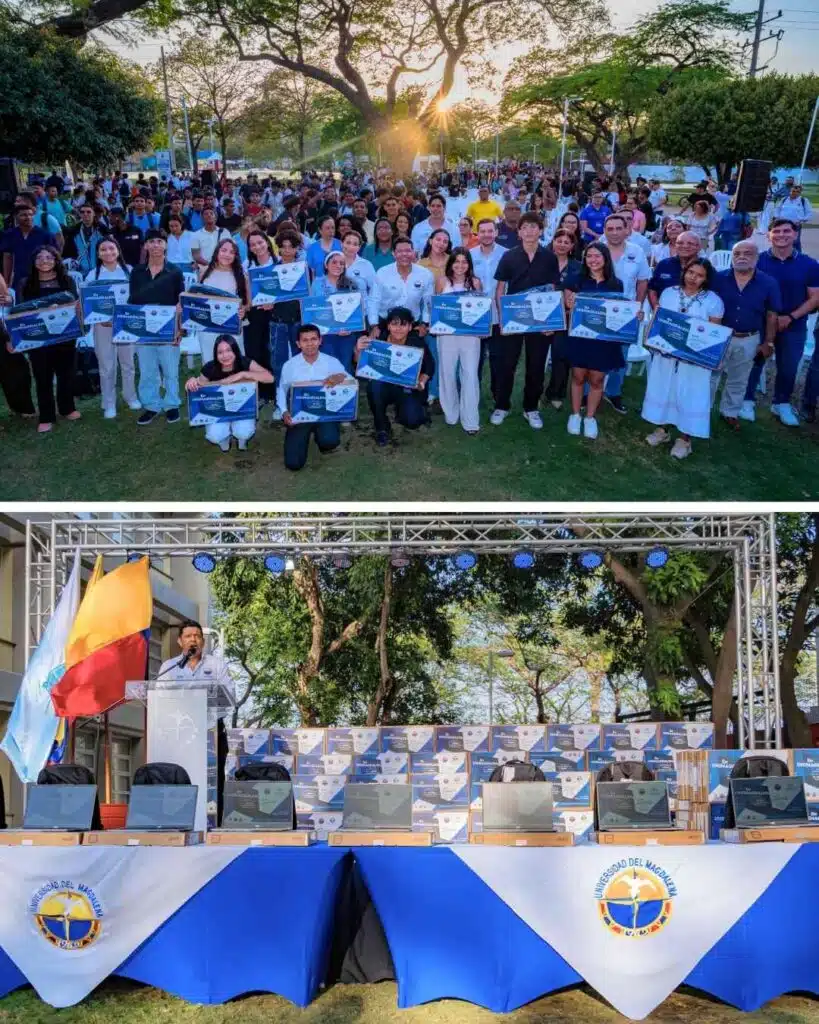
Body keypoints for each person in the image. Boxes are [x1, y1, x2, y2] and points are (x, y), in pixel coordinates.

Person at [641, 259, 725, 458]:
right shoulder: (669, 293)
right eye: (690, 272)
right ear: (684, 272)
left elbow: (715, 332)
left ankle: (684, 439)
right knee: (665, 389)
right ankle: (662, 430)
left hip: (694, 359)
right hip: (667, 354)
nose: (693, 278)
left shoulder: (713, 301)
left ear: (706, 279)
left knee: (690, 394)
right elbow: (660, 320)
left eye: (699, 275)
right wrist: (652, 339)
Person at [741, 219, 819, 426]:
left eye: (787, 231)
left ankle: (781, 403)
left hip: (793, 323)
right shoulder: (758, 261)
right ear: (769, 236)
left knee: (789, 366)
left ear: (795, 234)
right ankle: (747, 400)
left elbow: (815, 297)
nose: (782, 235)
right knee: (755, 361)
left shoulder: (809, 265)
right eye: (776, 231)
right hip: (761, 321)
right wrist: (769, 319)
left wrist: (790, 317)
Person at [156, 619, 234, 824]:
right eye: (189, 636)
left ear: (203, 642)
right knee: (178, 775)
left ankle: (215, 823)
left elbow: (229, 697)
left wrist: (204, 715)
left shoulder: (216, 665)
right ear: (180, 642)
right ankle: (176, 820)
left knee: (214, 778)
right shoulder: (169, 667)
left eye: (198, 636)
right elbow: (160, 698)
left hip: (211, 731)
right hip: (178, 732)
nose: (194, 640)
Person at [492, 211, 560, 429]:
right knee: (507, 364)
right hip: (514, 320)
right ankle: (502, 405)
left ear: (540, 231)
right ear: (518, 231)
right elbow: (501, 288)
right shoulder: (509, 256)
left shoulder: (549, 257)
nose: (530, 231)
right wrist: (503, 320)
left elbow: (552, 289)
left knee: (536, 365)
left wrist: (551, 322)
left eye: (534, 227)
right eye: (525, 227)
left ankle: (531, 408)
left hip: (540, 322)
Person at [713, 240, 781, 427]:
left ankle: (729, 412)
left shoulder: (769, 283)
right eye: (737, 253)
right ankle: (703, 409)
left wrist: (768, 342)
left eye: (747, 253)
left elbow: (772, 314)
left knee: (739, 378)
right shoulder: (718, 278)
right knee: (711, 376)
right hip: (719, 336)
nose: (741, 257)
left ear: (757, 258)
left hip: (749, 338)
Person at [14, 246, 81, 433]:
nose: (44, 261)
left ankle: (67, 408)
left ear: (56, 260)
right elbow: (19, 311)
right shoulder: (25, 283)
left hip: (65, 335)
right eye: (40, 258)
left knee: (66, 374)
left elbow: (75, 304)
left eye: (49, 257)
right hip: (38, 337)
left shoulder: (67, 280)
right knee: (42, 376)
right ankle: (46, 416)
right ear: (33, 262)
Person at [562, 243, 625, 440]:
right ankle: (575, 414)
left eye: (597, 256)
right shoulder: (575, 280)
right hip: (580, 338)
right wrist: (569, 305)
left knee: (597, 379)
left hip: (603, 340)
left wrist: (634, 315)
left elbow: (620, 312)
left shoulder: (616, 284)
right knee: (578, 377)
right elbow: (566, 308)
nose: (593, 260)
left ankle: (590, 417)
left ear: (605, 258)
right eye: (589, 256)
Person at [355, 306, 433, 446]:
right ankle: (381, 426)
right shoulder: (378, 340)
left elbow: (430, 366)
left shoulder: (416, 342)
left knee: (412, 422)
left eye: (403, 324)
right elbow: (360, 364)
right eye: (394, 324)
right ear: (388, 326)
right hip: (384, 386)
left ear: (410, 327)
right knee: (374, 385)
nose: (398, 328)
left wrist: (421, 383)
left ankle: (406, 409)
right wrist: (358, 350)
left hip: (407, 388)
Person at [129, 230, 185, 425]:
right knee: (147, 370)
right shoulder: (136, 273)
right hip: (144, 331)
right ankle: (151, 405)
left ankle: (171, 404)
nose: (155, 246)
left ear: (165, 245)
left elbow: (182, 304)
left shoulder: (175, 272)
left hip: (168, 330)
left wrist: (180, 330)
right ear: (145, 246)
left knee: (170, 369)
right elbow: (132, 302)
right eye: (151, 242)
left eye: (159, 241)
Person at [278, 323, 348, 470]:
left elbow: (349, 380)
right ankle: (305, 435)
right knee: (293, 464)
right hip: (300, 415)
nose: (310, 344)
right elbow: (281, 390)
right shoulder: (290, 365)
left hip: (325, 413)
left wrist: (340, 377)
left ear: (320, 340)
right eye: (305, 340)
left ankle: (321, 436)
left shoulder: (331, 361)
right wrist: (284, 411)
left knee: (330, 441)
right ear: (298, 344)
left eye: (313, 339)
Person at [185, 335, 273, 451]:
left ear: (235, 350)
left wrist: (243, 374)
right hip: (218, 410)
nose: (225, 355)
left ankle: (242, 440)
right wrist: (191, 382)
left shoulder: (245, 362)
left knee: (244, 431)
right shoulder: (209, 367)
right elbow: (199, 386)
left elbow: (269, 378)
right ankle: (224, 441)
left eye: (228, 350)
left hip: (241, 408)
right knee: (214, 435)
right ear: (215, 354)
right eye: (220, 352)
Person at [84, 237, 140, 418]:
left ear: (118, 251)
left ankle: (130, 396)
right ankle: (108, 403)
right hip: (103, 326)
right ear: (98, 254)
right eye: (103, 249)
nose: (108, 252)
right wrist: (101, 318)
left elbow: (137, 298)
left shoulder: (129, 271)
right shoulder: (93, 275)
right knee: (107, 366)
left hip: (126, 325)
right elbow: (88, 302)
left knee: (128, 363)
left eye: (111, 248)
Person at [435, 247, 482, 434]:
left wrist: (481, 329)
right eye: (457, 261)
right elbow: (436, 309)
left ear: (469, 264)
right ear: (451, 263)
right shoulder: (441, 282)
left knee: (470, 374)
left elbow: (481, 310)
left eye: (464, 262)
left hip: (470, 336)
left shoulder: (476, 283)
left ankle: (470, 419)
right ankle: (451, 413)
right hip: (446, 336)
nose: (460, 266)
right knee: (447, 373)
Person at [544, 229, 582, 410]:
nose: (562, 244)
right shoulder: (542, 262)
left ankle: (556, 392)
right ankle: (534, 391)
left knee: (561, 356)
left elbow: (580, 291)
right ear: (553, 242)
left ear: (572, 246)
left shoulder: (578, 267)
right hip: (542, 318)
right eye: (559, 240)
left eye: (567, 242)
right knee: (537, 356)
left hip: (566, 318)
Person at [197, 238, 250, 362]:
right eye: (224, 250)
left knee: (234, 361)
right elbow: (196, 296)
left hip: (231, 324)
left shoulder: (241, 275)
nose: (227, 254)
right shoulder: (204, 271)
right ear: (217, 252)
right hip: (207, 325)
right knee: (210, 360)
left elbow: (248, 303)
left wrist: (243, 309)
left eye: (232, 252)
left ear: (236, 256)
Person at [309, 251, 363, 372]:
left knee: (344, 367)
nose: (338, 266)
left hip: (346, 334)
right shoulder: (317, 283)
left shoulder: (352, 284)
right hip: (325, 334)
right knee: (328, 368)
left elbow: (356, 311)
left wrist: (349, 328)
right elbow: (312, 310)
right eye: (334, 262)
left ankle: (347, 390)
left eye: (341, 263)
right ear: (326, 265)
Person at [368, 236, 434, 334]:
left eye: (408, 251)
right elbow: (374, 300)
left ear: (413, 253)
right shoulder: (382, 273)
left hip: (412, 324)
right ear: (393, 254)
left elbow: (428, 302)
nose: (404, 254)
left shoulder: (426, 274)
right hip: (384, 323)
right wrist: (374, 325)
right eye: (399, 251)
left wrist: (425, 323)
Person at [242, 229, 279, 405]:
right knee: (255, 353)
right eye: (253, 244)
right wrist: (247, 307)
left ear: (267, 242)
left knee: (273, 352)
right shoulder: (246, 266)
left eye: (260, 242)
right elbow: (247, 297)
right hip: (255, 315)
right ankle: (261, 393)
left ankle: (274, 391)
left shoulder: (279, 264)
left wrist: (274, 302)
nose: (257, 247)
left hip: (275, 314)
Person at [471, 218, 507, 394]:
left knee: (498, 359)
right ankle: (473, 393)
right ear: (477, 233)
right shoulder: (469, 255)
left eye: (490, 231)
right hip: (475, 317)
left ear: (496, 232)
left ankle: (497, 394)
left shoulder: (507, 254)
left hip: (497, 316)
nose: (486, 234)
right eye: (482, 231)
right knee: (474, 360)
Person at [1, 199, 56, 291]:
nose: (28, 217)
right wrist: (6, 282)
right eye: (24, 215)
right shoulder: (10, 235)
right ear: (16, 217)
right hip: (19, 279)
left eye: (30, 215)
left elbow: (55, 258)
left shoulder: (45, 235)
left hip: (42, 279)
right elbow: (7, 257)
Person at [648, 231, 705, 306]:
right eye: (680, 243)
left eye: (690, 243)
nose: (685, 246)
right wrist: (656, 308)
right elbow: (652, 289)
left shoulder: (705, 267)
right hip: (665, 313)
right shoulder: (664, 265)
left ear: (699, 247)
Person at [773, 184, 812, 251]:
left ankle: (798, 257)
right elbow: (777, 209)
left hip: (795, 224)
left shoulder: (803, 200)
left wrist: (802, 221)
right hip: (783, 224)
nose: (795, 193)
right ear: (790, 191)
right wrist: (777, 217)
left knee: (795, 242)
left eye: (797, 192)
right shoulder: (784, 199)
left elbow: (809, 212)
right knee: (782, 240)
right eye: (793, 191)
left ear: (800, 193)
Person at [305, 215, 342, 279]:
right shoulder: (312, 248)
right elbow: (310, 272)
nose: (331, 231)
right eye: (327, 228)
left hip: (338, 285)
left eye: (333, 228)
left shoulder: (341, 245)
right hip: (319, 286)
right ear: (320, 230)